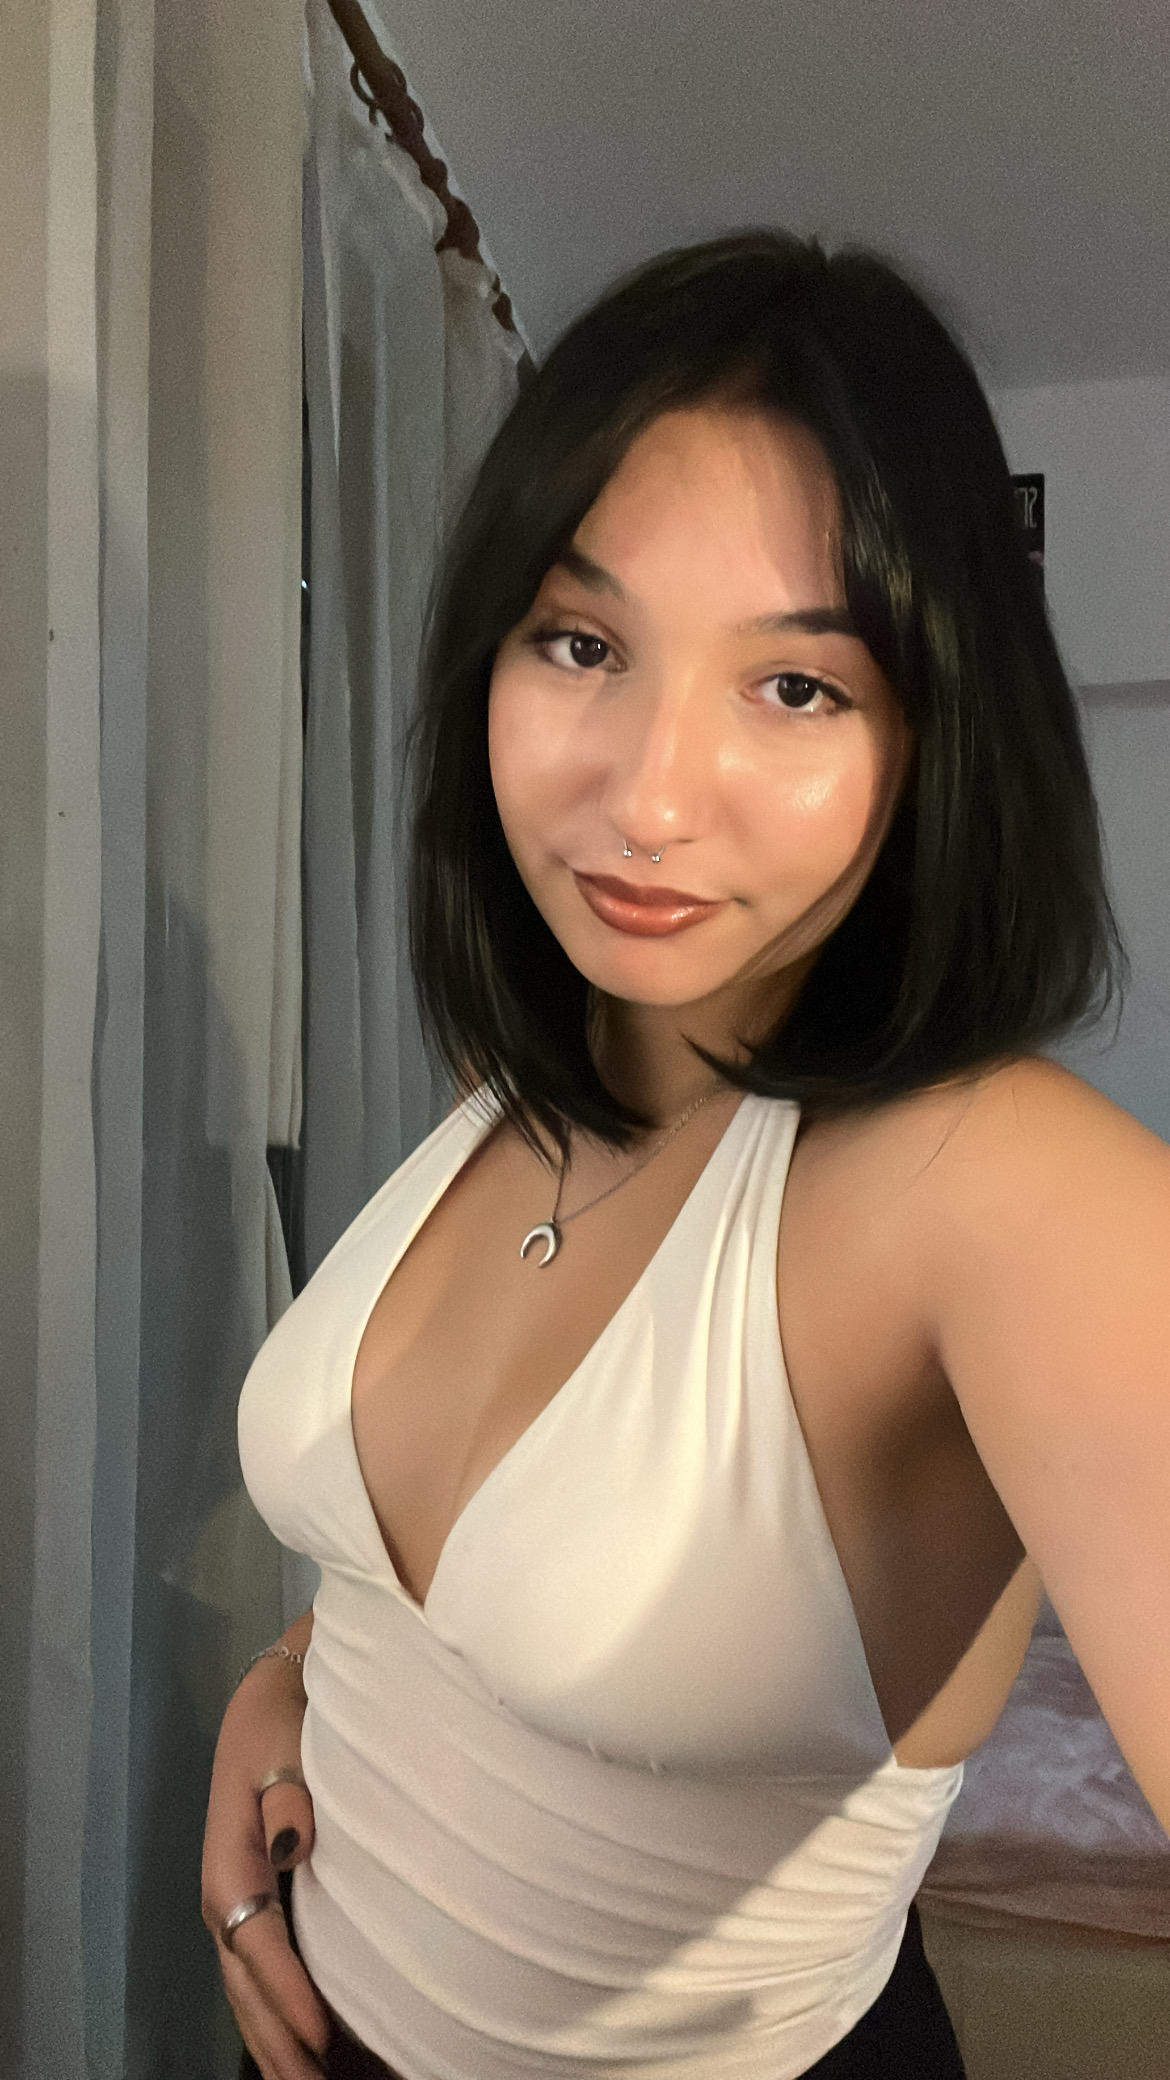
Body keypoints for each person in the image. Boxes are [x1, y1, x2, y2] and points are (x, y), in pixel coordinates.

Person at [202, 233, 1170, 2080]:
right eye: (581, 644)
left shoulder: (996, 1191)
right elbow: (431, 1589)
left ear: (935, 736)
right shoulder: (533, 1072)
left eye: (795, 688)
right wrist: (286, 1687)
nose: (645, 797)